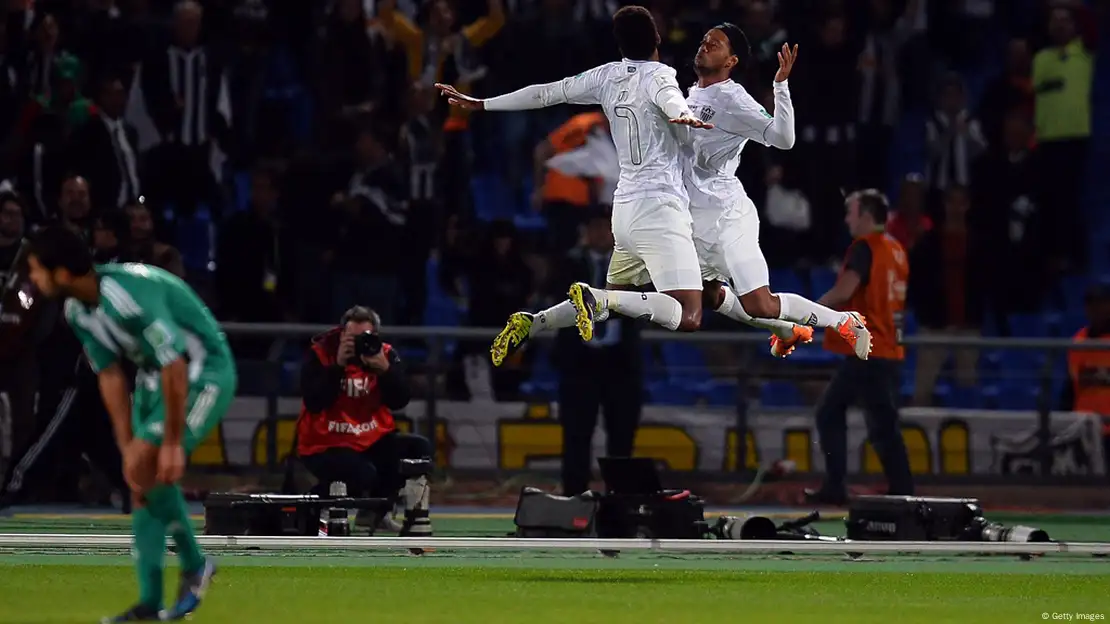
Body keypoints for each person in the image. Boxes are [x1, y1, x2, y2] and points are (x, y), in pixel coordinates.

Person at [437, 5, 714, 359]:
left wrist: (483, 103)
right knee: (688, 314)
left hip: (623, 207)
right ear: (657, 39)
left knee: (619, 295)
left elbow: (544, 92)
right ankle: (597, 297)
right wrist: (687, 119)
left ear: (619, 44)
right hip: (659, 206)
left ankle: (536, 321)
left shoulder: (607, 76)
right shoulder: (661, 77)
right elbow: (671, 101)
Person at [25, 226, 235, 622]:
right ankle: (149, 604)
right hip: (155, 378)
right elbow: (110, 375)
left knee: (151, 467)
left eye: (37, 271)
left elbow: (175, 361)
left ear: (63, 273)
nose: (33, 280)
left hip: (202, 370)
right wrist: (125, 446)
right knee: (138, 482)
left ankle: (194, 564)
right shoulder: (76, 311)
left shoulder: (126, 295)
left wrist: (171, 443)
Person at [683, 24, 871, 360]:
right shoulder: (689, 95)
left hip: (727, 218)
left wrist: (780, 87)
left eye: (716, 43)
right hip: (695, 219)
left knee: (760, 304)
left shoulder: (733, 98)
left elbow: (783, 139)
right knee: (705, 297)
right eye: (704, 40)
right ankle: (787, 329)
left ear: (732, 61)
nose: (706, 44)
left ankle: (843, 321)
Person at [806, 190, 914, 505]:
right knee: (881, 423)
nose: (846, 219)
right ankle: (900, 489)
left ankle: (841, 487)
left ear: (866, 215)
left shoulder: (865, 248)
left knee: (835, 414)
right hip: (888, 348)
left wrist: (806, 313)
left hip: (869, 348)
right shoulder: (896, 249)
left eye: (850, 212)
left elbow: (844, 291)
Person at [296, 306, 432, 536]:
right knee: (362, 473)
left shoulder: (385, 354)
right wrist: (338, 365)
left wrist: (386, 370)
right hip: (326, 442)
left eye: (365, 338)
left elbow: (400, 400)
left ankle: (376, 514)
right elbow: (314, 401)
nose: (359, 343)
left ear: (375, 336)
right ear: (341, 334)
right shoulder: (321, 354)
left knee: (417, 448)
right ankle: (313, 508)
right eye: (352, 338)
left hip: (371, 437)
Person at [551, 211, 643, 495]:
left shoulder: (634, 267)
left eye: (606, 228)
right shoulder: (568, 265)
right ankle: (574, 498)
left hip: (620, 362)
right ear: (586, 231)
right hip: (580, 362)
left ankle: (621, 499)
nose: (600, 233)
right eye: (595, 227)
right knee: (577, 435)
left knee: (622, 437)